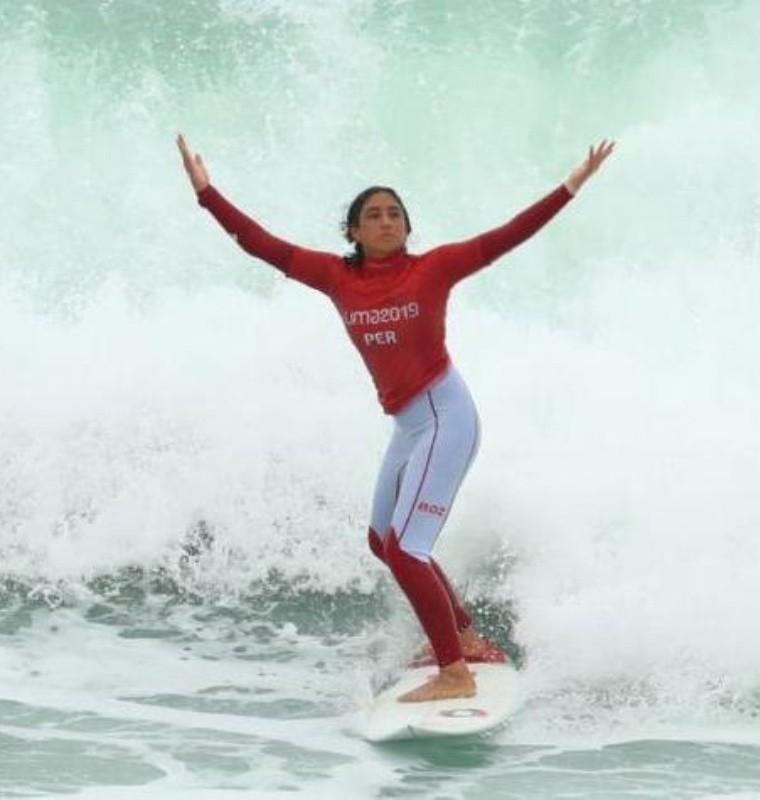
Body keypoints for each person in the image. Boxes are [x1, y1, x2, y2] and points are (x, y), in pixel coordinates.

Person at [177, 133, 614, 702]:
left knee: (409, 548)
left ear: (407, 227)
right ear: (353, 232)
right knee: (385, 542)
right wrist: (207, 194)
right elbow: (262, 245)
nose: (386, 222)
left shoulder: (434, 268)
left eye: (395, 214)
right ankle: (462, 635)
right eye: (373, 215)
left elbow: (509, 234)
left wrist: (571, 185)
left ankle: (454, 673)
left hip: (446, 415)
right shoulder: (337, 277)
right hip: (410, 425)